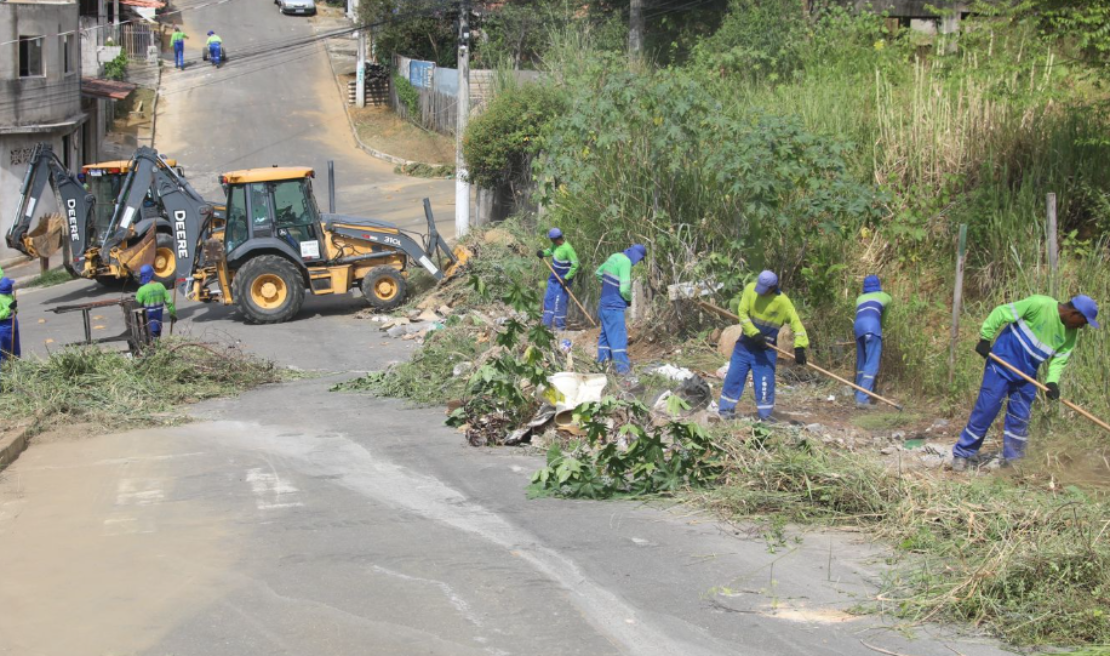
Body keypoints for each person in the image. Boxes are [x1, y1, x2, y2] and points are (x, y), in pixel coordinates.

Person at [952, 294, 1098, 471]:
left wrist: (1052, 382)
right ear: (1074, 313)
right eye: (1083, 322)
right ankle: (963, 453)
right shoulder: (1039, 304)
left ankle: (1014, 460)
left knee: (1020, 416)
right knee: (986, 410)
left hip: (1027, 374)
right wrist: (985, 338)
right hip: (1001, 364)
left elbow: (1060, 360)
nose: (1082, 327)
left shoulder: (1070, 335)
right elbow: (1001, 312)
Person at [718, 270, 809, 421]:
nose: (759, 292)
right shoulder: (750, 289)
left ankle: (765, 417)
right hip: (745, 345)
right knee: (734, 377)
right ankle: (725, 411)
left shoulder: (783, 302)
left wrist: (800, 347)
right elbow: (742, 313)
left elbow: (796, 324)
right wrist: (754, 333)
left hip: (765, 350)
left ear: (773, 288)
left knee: (765, 384)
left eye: (764, 289)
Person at [595, 244, 646, 375]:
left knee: (605, 337)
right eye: (640, 260)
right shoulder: (625, 262)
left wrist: (608, 286)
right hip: (614, 306)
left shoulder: (615, 256)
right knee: (618, 338)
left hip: (604, 304)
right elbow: (624, 288)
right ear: (637, 255)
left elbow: (598, 273)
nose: (637, 262)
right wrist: (628, 299)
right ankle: (623, 370)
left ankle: (602, 366)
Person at [853, 275, 892, 407]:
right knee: (872, 362)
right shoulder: (886, 297)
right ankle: (862, 398)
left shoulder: (859, 299)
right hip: (872, 327)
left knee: (862, 362)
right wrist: (879, 329)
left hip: (858, 328)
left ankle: (858, 392)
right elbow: (884, 318)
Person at [536, 228, 580, 330]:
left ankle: (560, 328)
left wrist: (567, 278)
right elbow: (550, 251)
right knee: (548, 299)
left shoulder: (568, 249)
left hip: (563, 280)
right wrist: (542, 253)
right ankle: (546, 327)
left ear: (555, 239)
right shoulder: (555, 245)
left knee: (559, 302)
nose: (551, 241)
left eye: (551, 239)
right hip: (554, 278)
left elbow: (575, 265)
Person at [135, 264, 177, 339]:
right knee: (157, 342)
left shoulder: (142, 290)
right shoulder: (161, 286)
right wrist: (173, 314)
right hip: (158, 324)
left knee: (150, 345)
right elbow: (169, 303)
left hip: (147, 325)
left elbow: (135, 307)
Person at [0, 278, 20, 363]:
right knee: (6, 351)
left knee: (16, 350)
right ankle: (6, 369)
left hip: (13, 324)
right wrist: (9, 308)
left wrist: (15, 308)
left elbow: (15, 311)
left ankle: (17, 366)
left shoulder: (10, 296)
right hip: (5, 328)